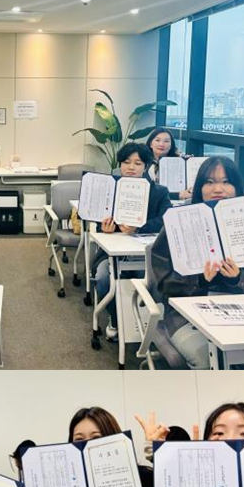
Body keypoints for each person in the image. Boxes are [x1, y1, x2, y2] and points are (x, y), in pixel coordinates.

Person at [151, 156, 244, 369]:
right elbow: (164, 283)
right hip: (187, 315)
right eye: (209, 182)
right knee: (207, 359)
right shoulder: (178, 221)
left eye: (226, 182)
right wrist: (200, 279)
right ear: (199, 188)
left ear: (237, 187)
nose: (218, 189)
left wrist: (237, 279)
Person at [91, 142, 172, 342]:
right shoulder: (110, 189)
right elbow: (98, 220)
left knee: (146, 280)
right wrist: (105, 227)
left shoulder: (159, 192)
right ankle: (115, 319)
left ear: (146, 166)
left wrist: (139, 228)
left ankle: (145, 324)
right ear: (120, 164)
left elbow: (165, 220)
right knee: (103, 278)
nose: (131, 167)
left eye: (137, 163)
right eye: (126, 162)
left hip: (146, 255)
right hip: (112, 254)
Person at [145, 127, 191, 200]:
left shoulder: (180, 162)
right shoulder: (143, 163)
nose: (161, 144)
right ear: (151, 144)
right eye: (157, 140)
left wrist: (188, 163)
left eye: (166, 141)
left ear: (171, 145)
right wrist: (178, 195)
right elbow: (148, 192)